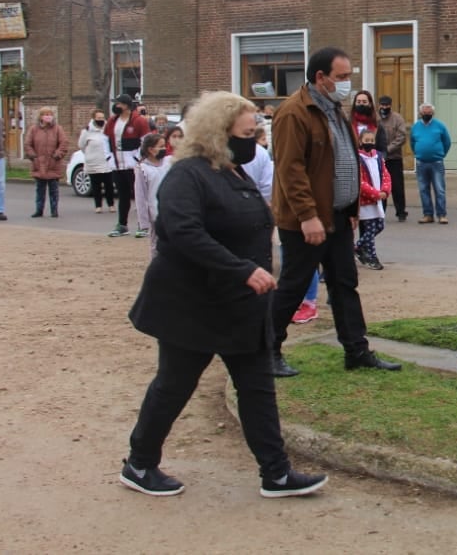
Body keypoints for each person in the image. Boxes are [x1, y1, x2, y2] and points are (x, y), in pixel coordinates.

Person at [120, 90, 327, 499]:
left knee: (256, 386)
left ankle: (276, 473)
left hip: (240, 306)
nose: (253, 140)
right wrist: (243, 269)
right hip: (192, 304)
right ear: (219, 132)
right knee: (174, 385)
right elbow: (183, 232)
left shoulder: (234, 172)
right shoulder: (187, 175)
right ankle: (140, 463)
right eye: (247, 133)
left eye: (256, 133)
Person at [268, 46, 401, 377]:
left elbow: (345, 160)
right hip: (307, 221)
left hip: (338, 217)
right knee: (294, 284)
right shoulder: (294, 113)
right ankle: (265, 350)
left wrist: (352, 205)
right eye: (341, 77)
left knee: (345, 283)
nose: (348, 84)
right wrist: (307, 216)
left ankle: (356, 350)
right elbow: (291, 170)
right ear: (320, 77)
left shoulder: (334, 109)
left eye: (349, 76)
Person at [105, 94, 151, 237]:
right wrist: (108, 156)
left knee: (139, 196)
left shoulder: (139, 121)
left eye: (118, 103)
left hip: (133, 165)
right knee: (123, 195)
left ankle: (142, 225)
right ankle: (122, 224)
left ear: (125, 105)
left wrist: (137, 158)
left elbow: (145, 141)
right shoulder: (112, 121)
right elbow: (105, 139)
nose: (115, 106)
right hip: (118, 164)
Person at [410, 102, 451, 224]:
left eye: (429, 112)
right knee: (423, 189)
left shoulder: (440, 126)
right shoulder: (416, 127)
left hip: (436, 162)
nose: (426, 114)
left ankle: (442, 215)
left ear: (432, 113)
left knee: (439, 189)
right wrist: (418, 153)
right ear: (420, 113)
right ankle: (427, 214)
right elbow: (412, 143)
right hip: (421, 163)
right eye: (424, 112)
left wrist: (441, 154)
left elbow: (447, 142)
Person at [24, 107, 69, 218]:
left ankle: (54, 210)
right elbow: (27, 144)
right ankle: (39, 210)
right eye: (45, 114)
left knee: (54, 190)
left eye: (50, 114)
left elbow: (64, 143)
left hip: (53, 164)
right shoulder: (34, 129)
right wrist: (33, 156)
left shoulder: (58, 129)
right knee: (40, 189)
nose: (48, 116)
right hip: (38, 164)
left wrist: (57, 155)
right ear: (40, 116)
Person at [355, 129, 391, 270]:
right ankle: (372, 256)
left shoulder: (378, 157)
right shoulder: (359, 159)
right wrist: (374, 193)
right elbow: (360, 182)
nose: (369, 143)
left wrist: (385, 191)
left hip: (378, 199)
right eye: (366, 140)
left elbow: (386, 175)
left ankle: (357, 247)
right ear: (360, 141)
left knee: (379, 225)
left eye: (371, 141)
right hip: (366, 201)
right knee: (369, 228)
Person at [133, 133, 172, 255]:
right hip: (155, 212)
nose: (164, 149)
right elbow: (140, 195)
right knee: (157, 243)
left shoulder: (169, 162)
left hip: (171, 209)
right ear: (150, 149)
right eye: (160, 146)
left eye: (164, 146)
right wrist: (143, 221)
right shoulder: (143, 169)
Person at [377, 95, 409, 221]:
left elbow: (401, 137)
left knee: (397, 187)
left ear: (390, 105)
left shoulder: (397, 118)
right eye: (382, 105)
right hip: (379, 159)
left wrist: (388, 149)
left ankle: (401, 212)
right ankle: (381, 212)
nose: (384, 107)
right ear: (379, 105)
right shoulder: (375, 118)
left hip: (394, 158)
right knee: (380, 187)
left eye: (387, 105)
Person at [79, 111, 116, 214]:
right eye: (98, 117)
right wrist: (89, 154)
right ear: (94, 118)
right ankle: (98, 206)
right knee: (96, 186)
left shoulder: (107, 128)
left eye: (102, 117)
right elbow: (81, 145)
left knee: (109, 185)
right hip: (93, 162)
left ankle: (111, 205)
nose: (101, 119)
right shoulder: (87, 131)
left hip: (106, 162)